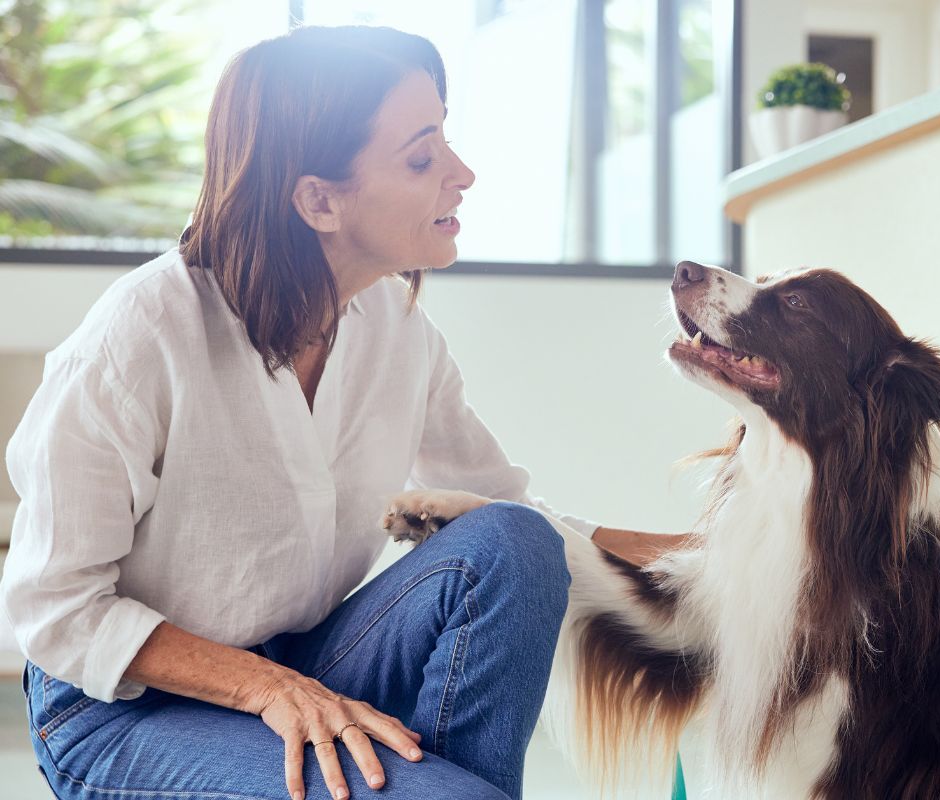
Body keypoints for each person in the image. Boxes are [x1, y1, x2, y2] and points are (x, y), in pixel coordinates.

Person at [0, 25, 686, 800]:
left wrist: (704, 562)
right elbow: (53, 609)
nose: (462, 174)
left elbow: (512, 516)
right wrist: (266, 687)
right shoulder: (139, 336)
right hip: (119, 714)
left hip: (304, 660)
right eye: (421, 158)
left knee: (511, 542)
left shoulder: (397, 329)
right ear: (319, 200)